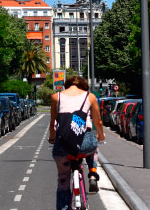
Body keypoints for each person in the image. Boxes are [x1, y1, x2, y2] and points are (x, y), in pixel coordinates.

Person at [49, 76, 105, 210]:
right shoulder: (90, 97)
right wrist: (101, 136)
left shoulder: (56, 97)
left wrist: (52, 138)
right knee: (93, 147)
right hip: (84, 143)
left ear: (66, 86)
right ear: (84, 86)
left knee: (63, 178)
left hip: (63, 145)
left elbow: (52, 123)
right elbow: (98, 122)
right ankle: (92, 173)